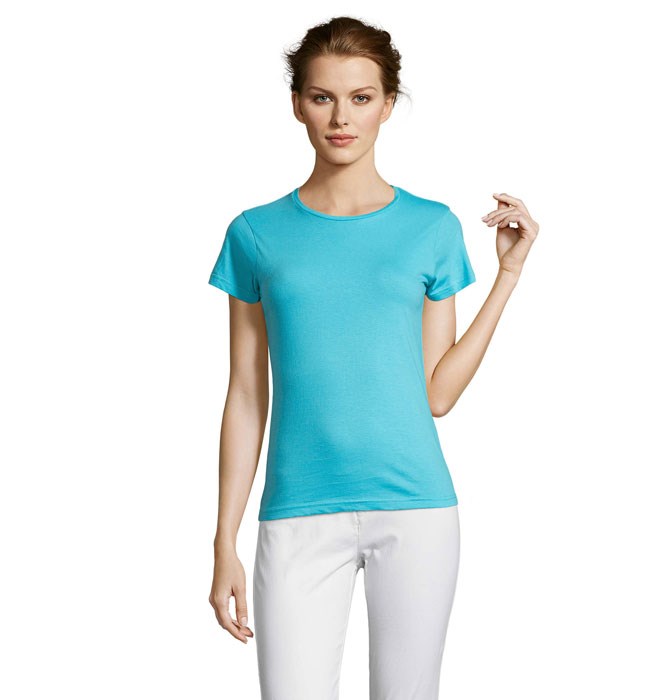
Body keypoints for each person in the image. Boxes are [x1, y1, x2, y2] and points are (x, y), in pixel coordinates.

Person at [207, 15, 539, 700]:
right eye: (322, 97)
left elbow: (437, 394)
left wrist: (507, 276)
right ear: (297, 103)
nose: (341, 118)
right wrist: (223, 540)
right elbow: (245, 394)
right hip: (296, 511)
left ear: (388, 105)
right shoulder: (255, 234)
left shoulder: (431, 228)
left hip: (415, 512)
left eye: (361, 98)